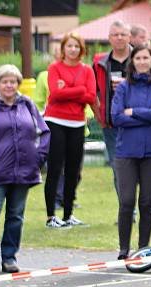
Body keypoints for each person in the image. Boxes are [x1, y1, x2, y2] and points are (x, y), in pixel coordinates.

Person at [0, 64, 50, 276]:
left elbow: (44, 133)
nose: (9, 85)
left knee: (16, 216)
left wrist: (38, 158)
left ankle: (9, 258)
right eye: (5, 81)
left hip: (24, 173)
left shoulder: (28, 105)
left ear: (18, 84)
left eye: (13, 81)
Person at [111, 45, 151, 260]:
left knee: (146, 202)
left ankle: (143, 248)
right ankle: (123, 249)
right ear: (133, 61)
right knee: (127, 201)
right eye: (138, 58)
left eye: (146, 58)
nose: (142, 61)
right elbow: (116, 117)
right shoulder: (123, 88)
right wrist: (148, 114)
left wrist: (134, 112)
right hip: (126, 152)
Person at [43, 32, 95, 228]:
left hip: (77, 123)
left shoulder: (87, 70)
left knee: (73, 170)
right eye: (69, 46)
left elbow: (90, 97)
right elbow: (55, 95)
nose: (73, 50)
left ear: (81, 50)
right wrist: (79, 90)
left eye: (76, 46)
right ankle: (51, 216)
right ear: (63, 48)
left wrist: (69, 91)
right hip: (55, 121)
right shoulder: (54, 68)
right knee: (55, 168)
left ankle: (68, 214)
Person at [93, 21, 132, 195]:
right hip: (112, 123)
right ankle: (127, 211)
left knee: (145, 169)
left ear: (129, 37)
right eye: (115, 34)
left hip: (139, 121)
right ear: (109, 38)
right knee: (118, 168)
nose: (119, 38)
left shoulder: (141, 58)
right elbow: (92, 91)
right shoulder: (100, 63)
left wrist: (129, 85)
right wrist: (99, 114)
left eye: (123, 34)